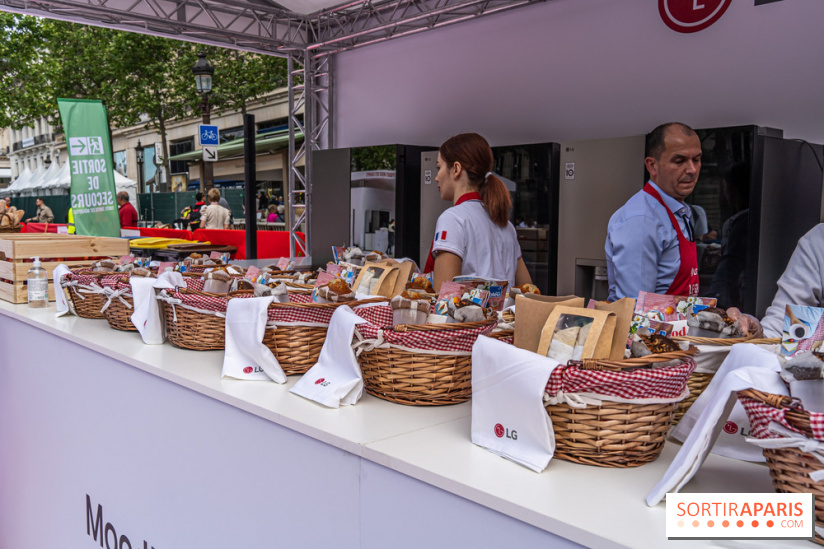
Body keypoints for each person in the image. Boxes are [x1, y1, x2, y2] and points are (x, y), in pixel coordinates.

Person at [605, 122, 702, 300]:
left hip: (678, 325)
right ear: (652, 166)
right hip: (652, 328)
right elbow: (636, 307)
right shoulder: (642, 220)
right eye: (679, 161)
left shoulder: (678, 211)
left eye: (696, 159)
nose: (692, 170)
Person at [427, 132, 532, 291]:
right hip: (505, 316)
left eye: (439, 167)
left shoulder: (453, 219)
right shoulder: (506, 225)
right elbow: (529, 290)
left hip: (466, 316)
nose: (436, 177)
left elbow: (444, 296)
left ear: (456, 169)